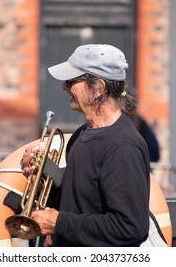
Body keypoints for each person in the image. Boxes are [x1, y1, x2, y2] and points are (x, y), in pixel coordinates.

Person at [20, 44, 151, 247]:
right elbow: (77, 202)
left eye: (72, 80)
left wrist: (59, 223)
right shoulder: (81, 135)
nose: (64, 86)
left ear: (98, 87)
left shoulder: (124, 146)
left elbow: (130, 227)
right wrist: (41, 174)